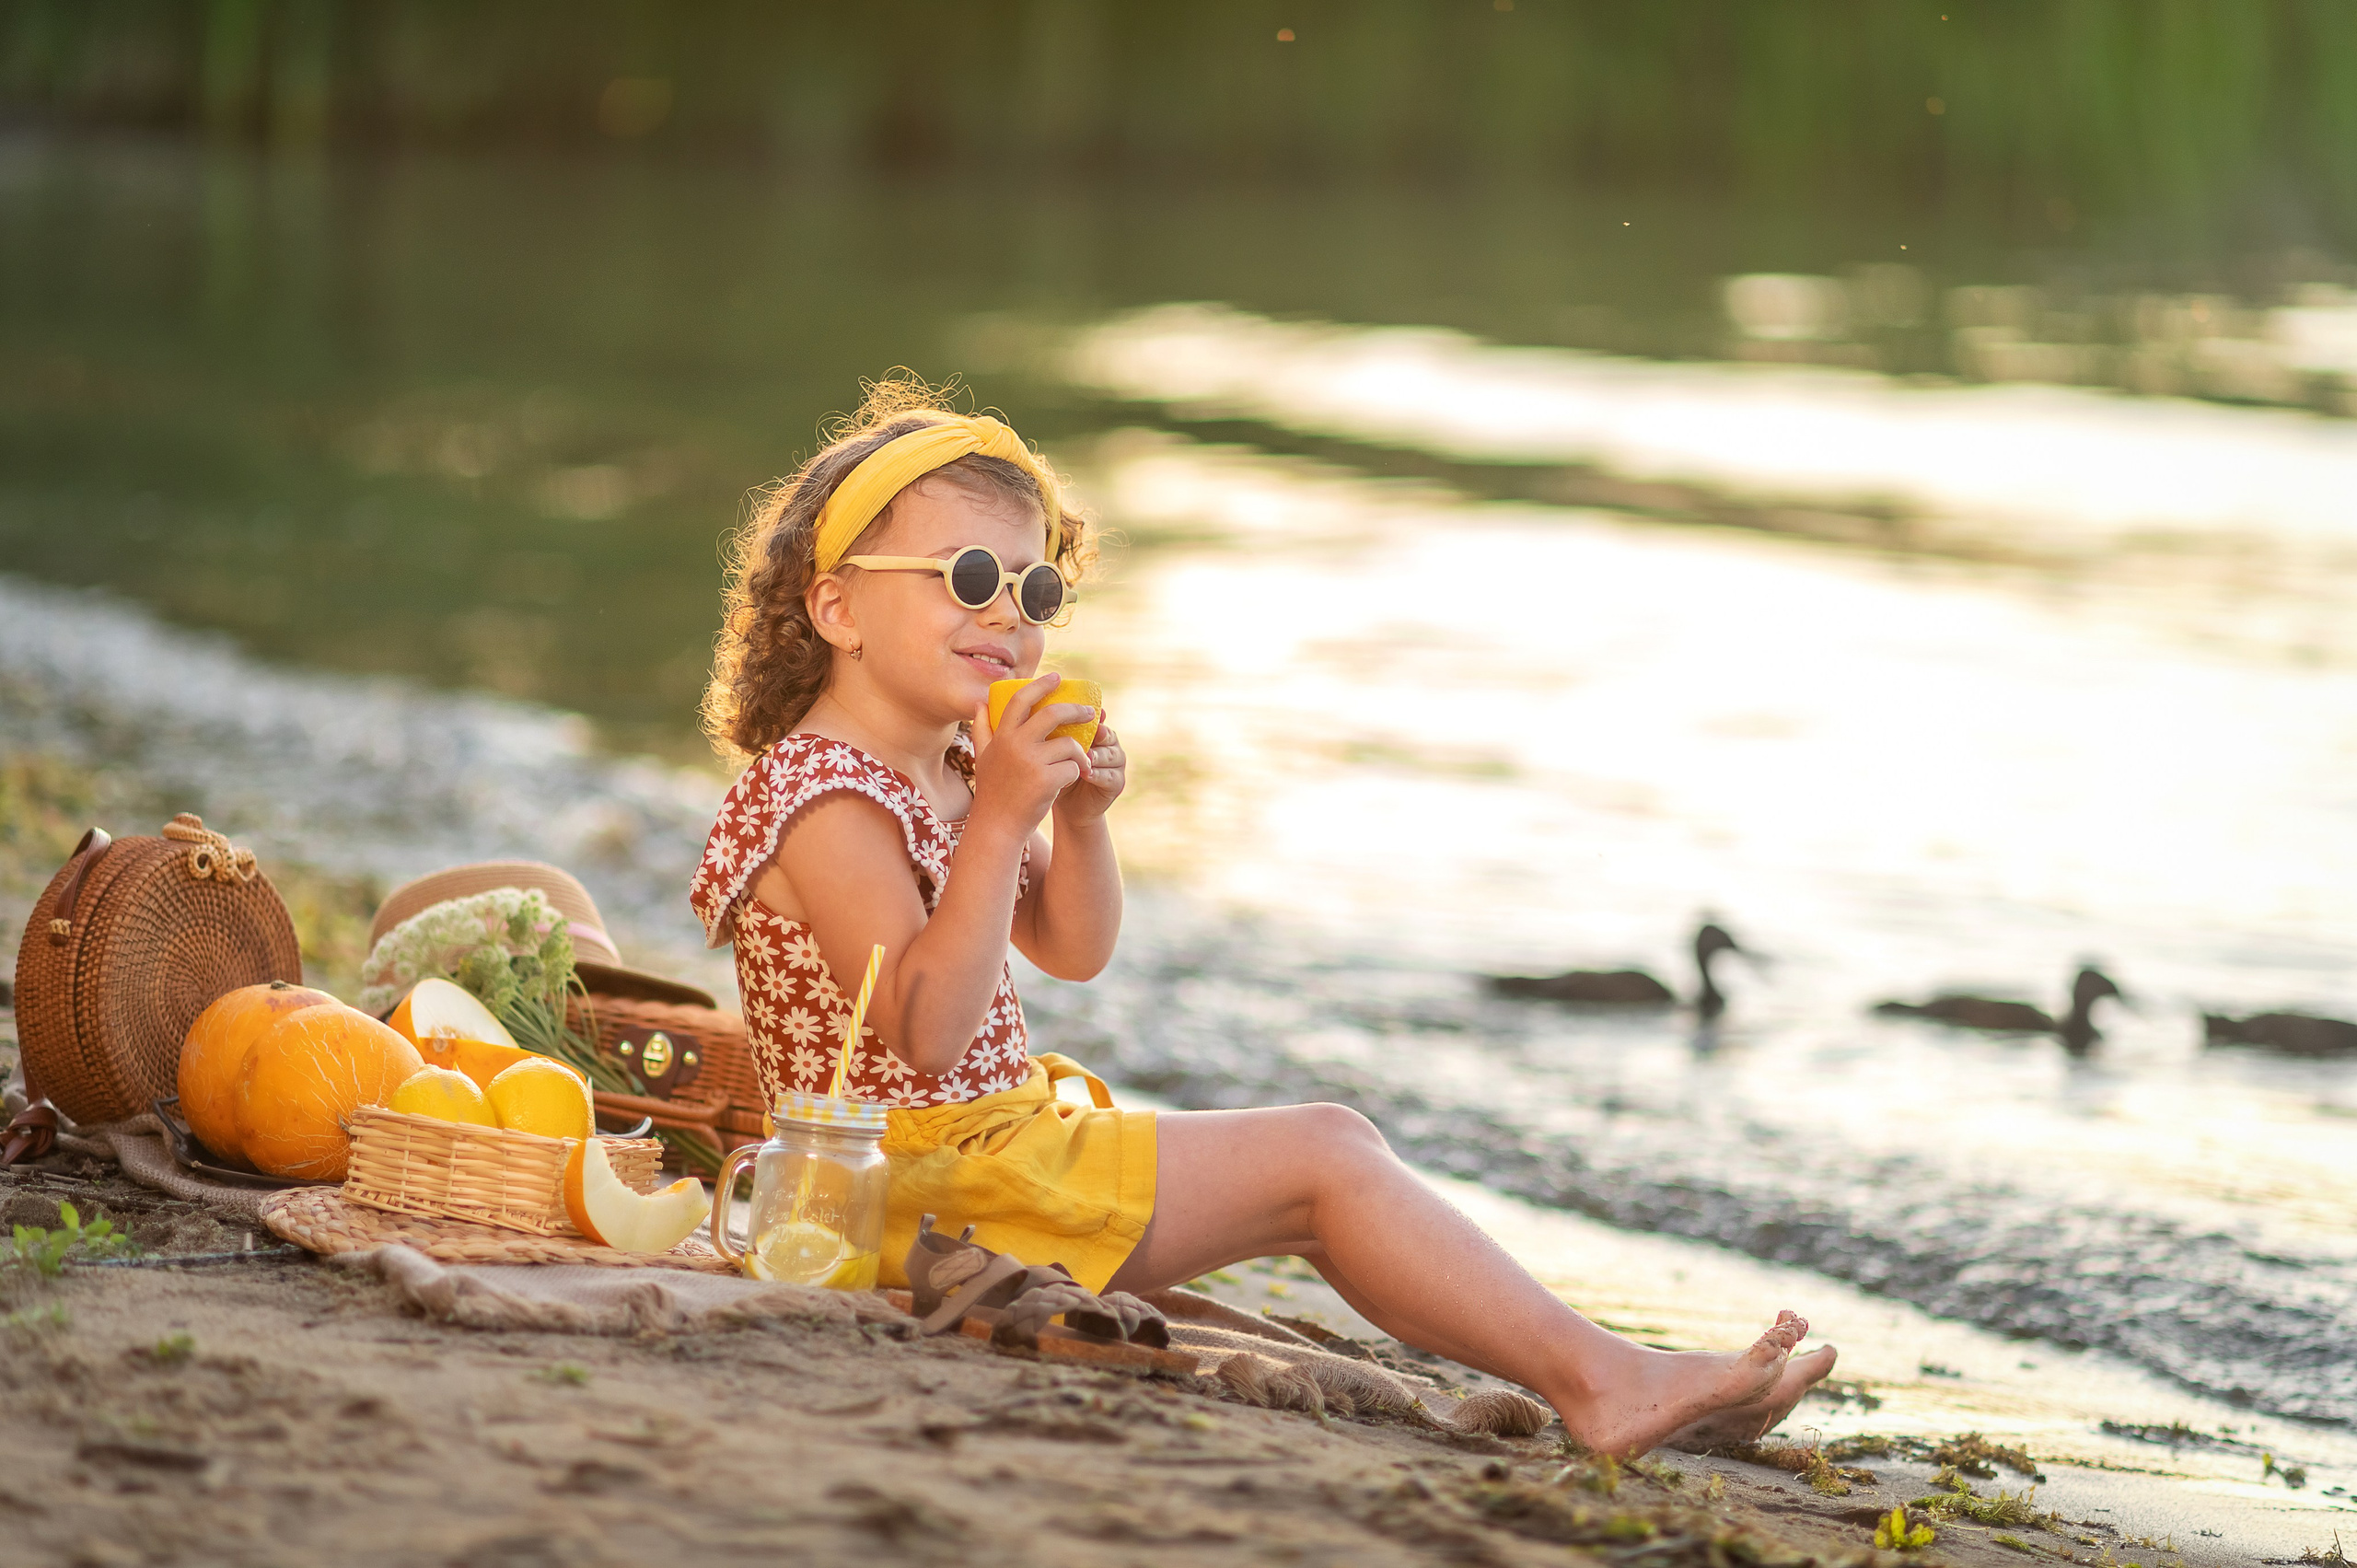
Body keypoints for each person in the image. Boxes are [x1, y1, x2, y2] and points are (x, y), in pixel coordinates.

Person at [691, 377, 1836, 1456]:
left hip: (979, 1159)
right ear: (835, 604)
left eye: (1037, 591)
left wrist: (1079, 820)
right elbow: (925, 1031)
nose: (1010, 615)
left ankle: (1596, 1369)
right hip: (895, 1190)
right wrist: (999, 819)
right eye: (968, 576)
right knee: (1326, 1155)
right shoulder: (823, 795)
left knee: (1322, 1179)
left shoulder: (947, 763)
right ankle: (1602, 1379)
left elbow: (1071, 951)